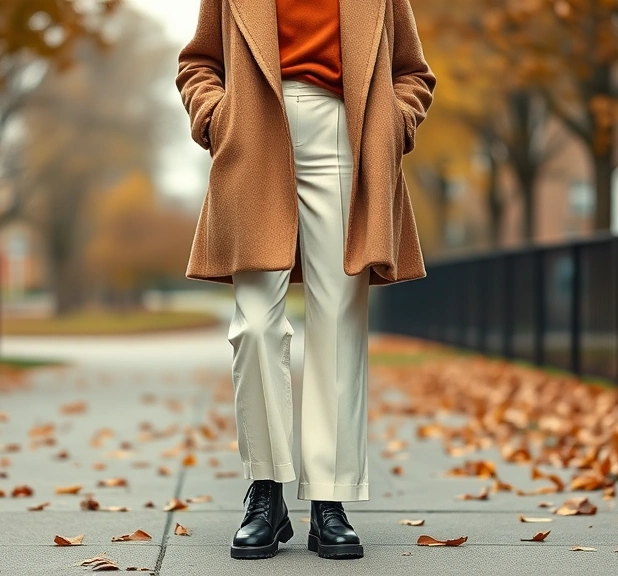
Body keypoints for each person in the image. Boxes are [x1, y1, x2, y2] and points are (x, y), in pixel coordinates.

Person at [176, 0, 435, 561]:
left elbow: (412, 72)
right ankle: (265, 493)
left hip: (350, 134)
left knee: (339, 322)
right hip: (253, 136)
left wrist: (396, 121)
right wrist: (217, 117)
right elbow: (199, 63)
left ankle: (330, 499)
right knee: (256, 326)